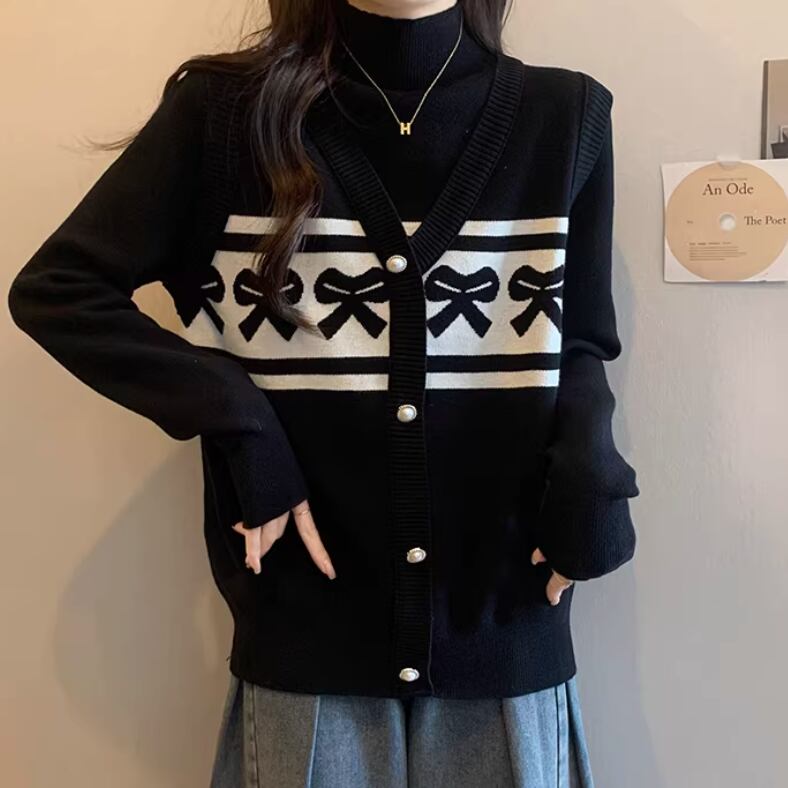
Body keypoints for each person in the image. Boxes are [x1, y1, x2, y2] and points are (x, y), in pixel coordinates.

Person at [7, 0, 640, 785]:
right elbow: (60, 290)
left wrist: (591, 466)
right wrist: (238, 419)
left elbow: (580, 340)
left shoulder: (564, 117)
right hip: (306, 643)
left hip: (504, 627)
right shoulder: (225, 117)